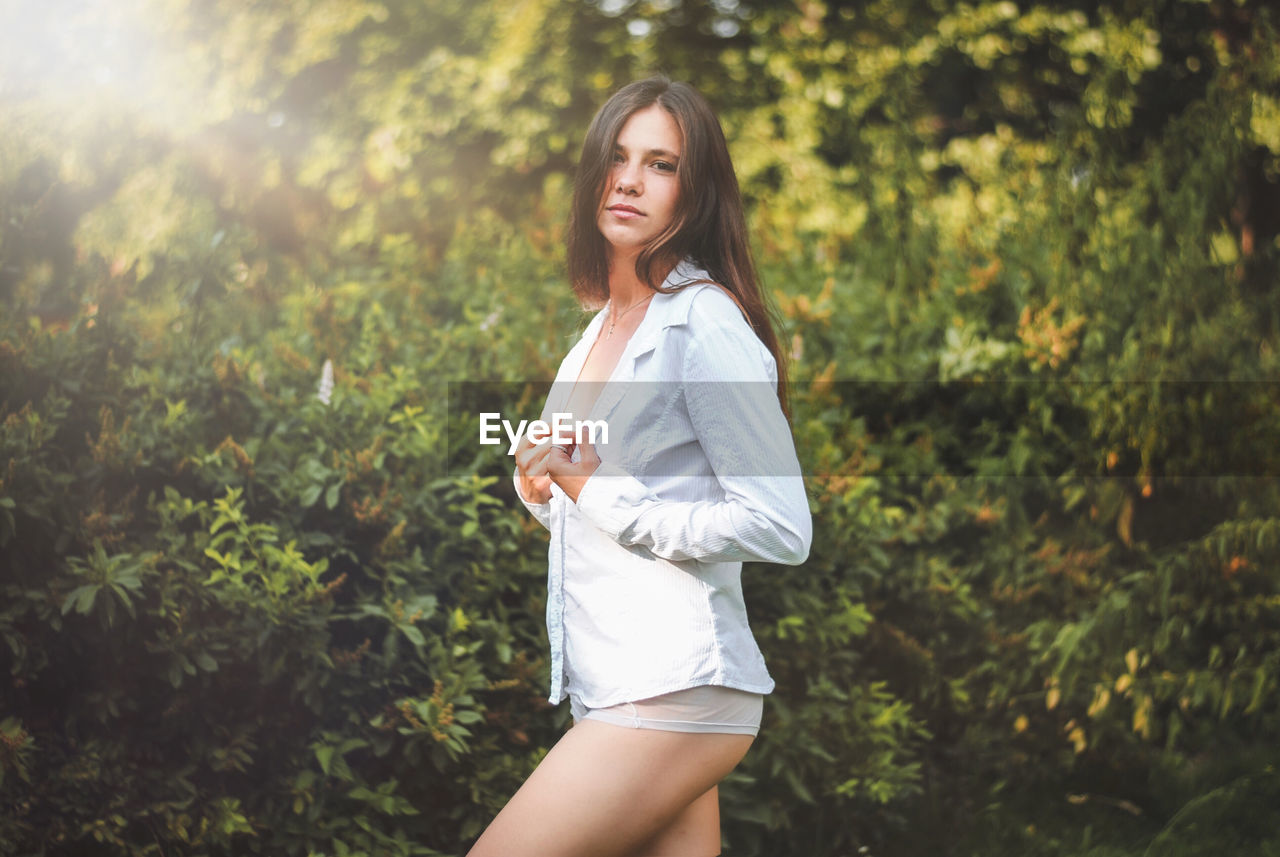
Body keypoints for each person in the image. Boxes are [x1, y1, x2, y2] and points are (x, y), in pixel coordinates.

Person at [468, 76, 811, 857]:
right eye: (618, 158)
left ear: (698, 192)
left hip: (672, 689)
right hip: (621, 688)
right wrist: (547, 487)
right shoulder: (596, 335)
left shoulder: (703, 322)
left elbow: (782, 525)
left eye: (661, 163)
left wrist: (602, 492)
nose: (629, 179)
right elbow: (610, 496)